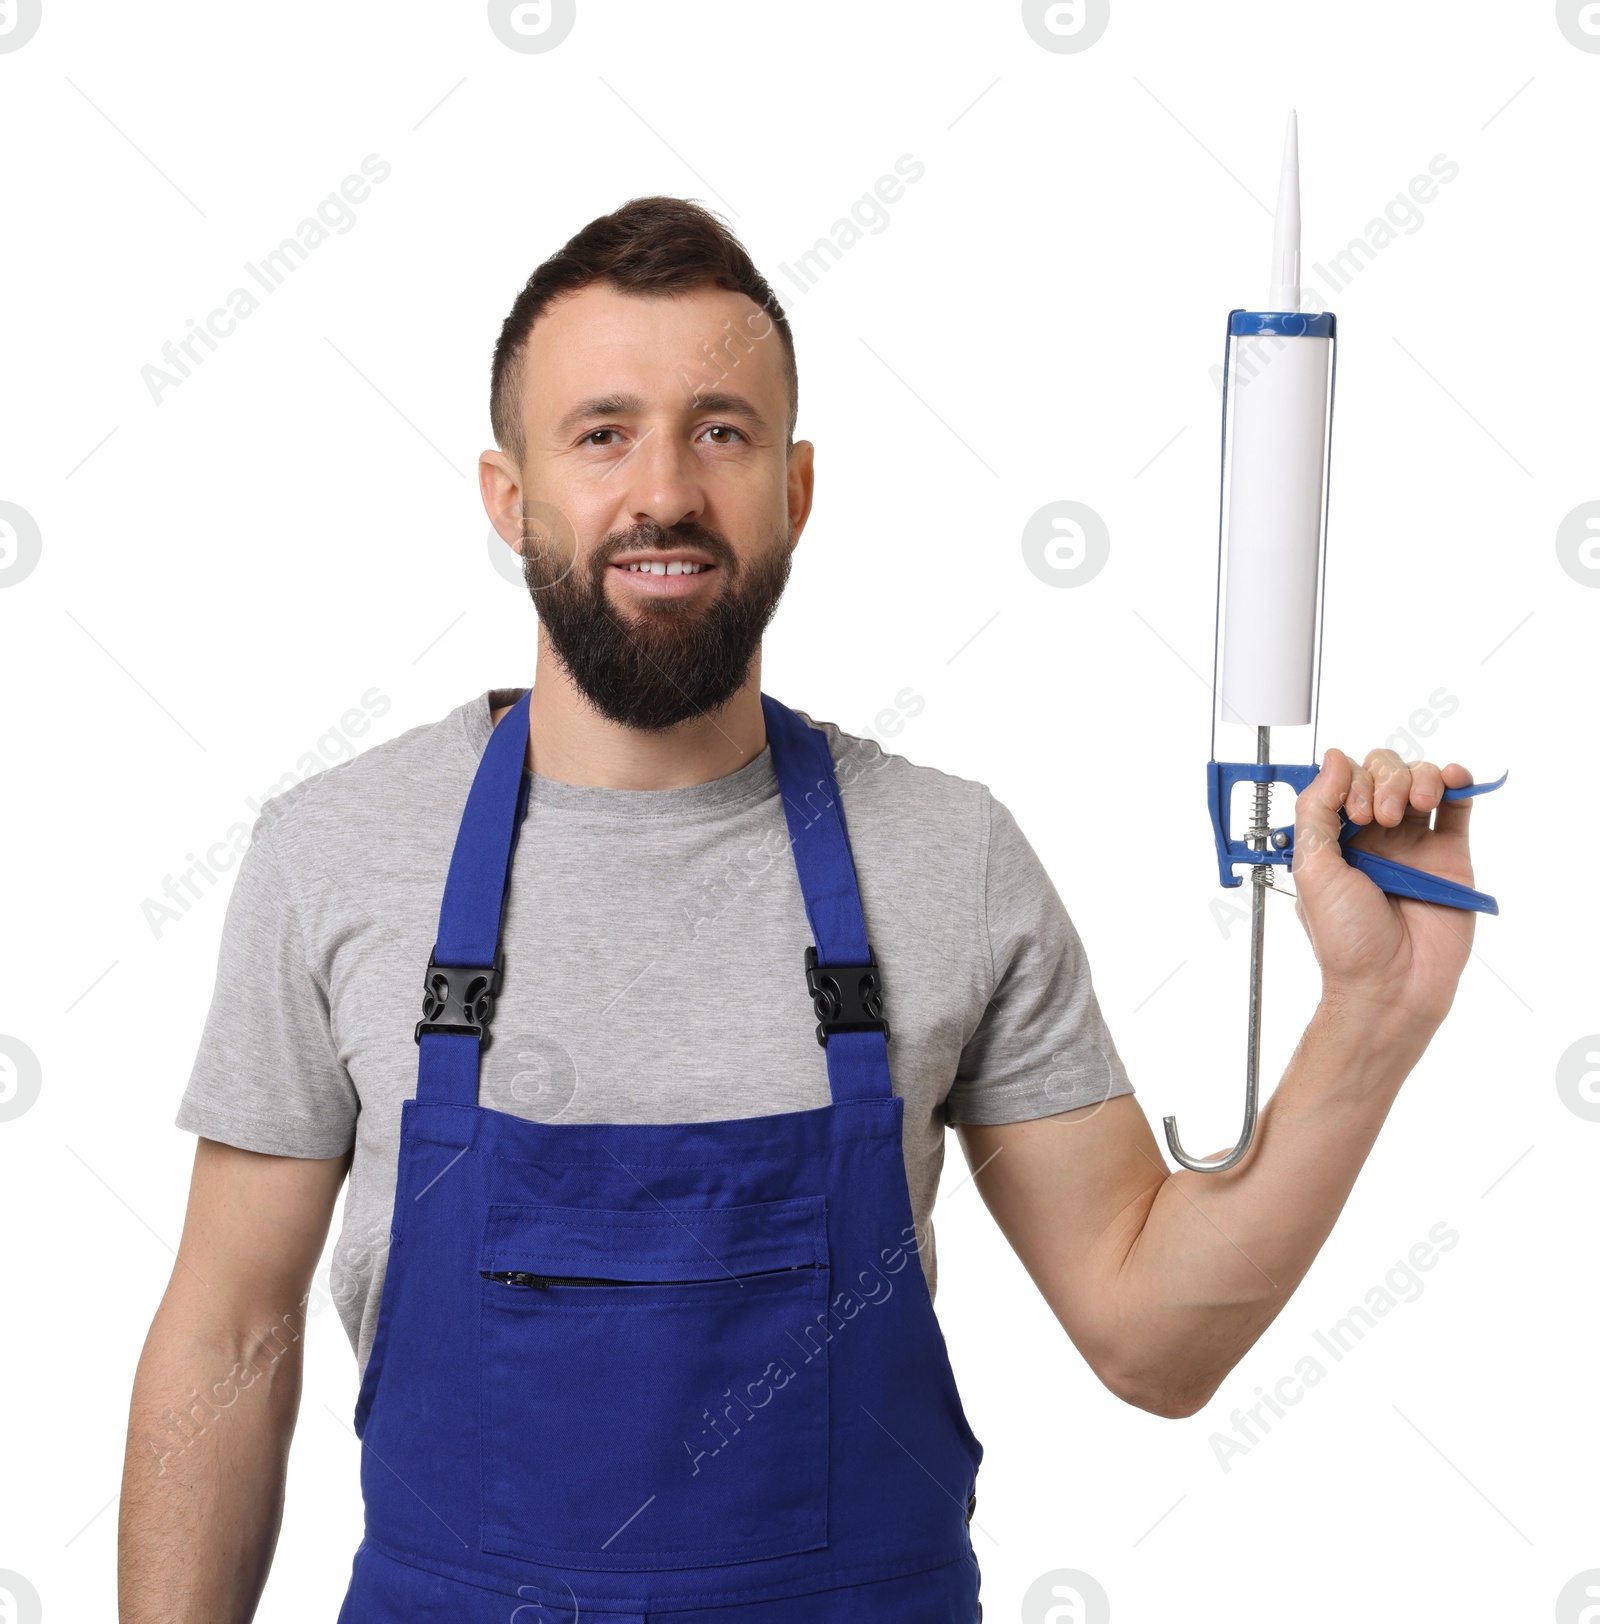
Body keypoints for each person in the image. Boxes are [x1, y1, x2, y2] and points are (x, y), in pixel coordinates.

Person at [118, 197, 1484, 1623]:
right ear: (507, 496)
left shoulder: (949, 857)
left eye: (721, 431)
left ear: (796, 489)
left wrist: (1375, 1018)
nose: (663, 491)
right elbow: (229, 1327)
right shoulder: (337, 853)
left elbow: (1155, 1342)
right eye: (602, 434)